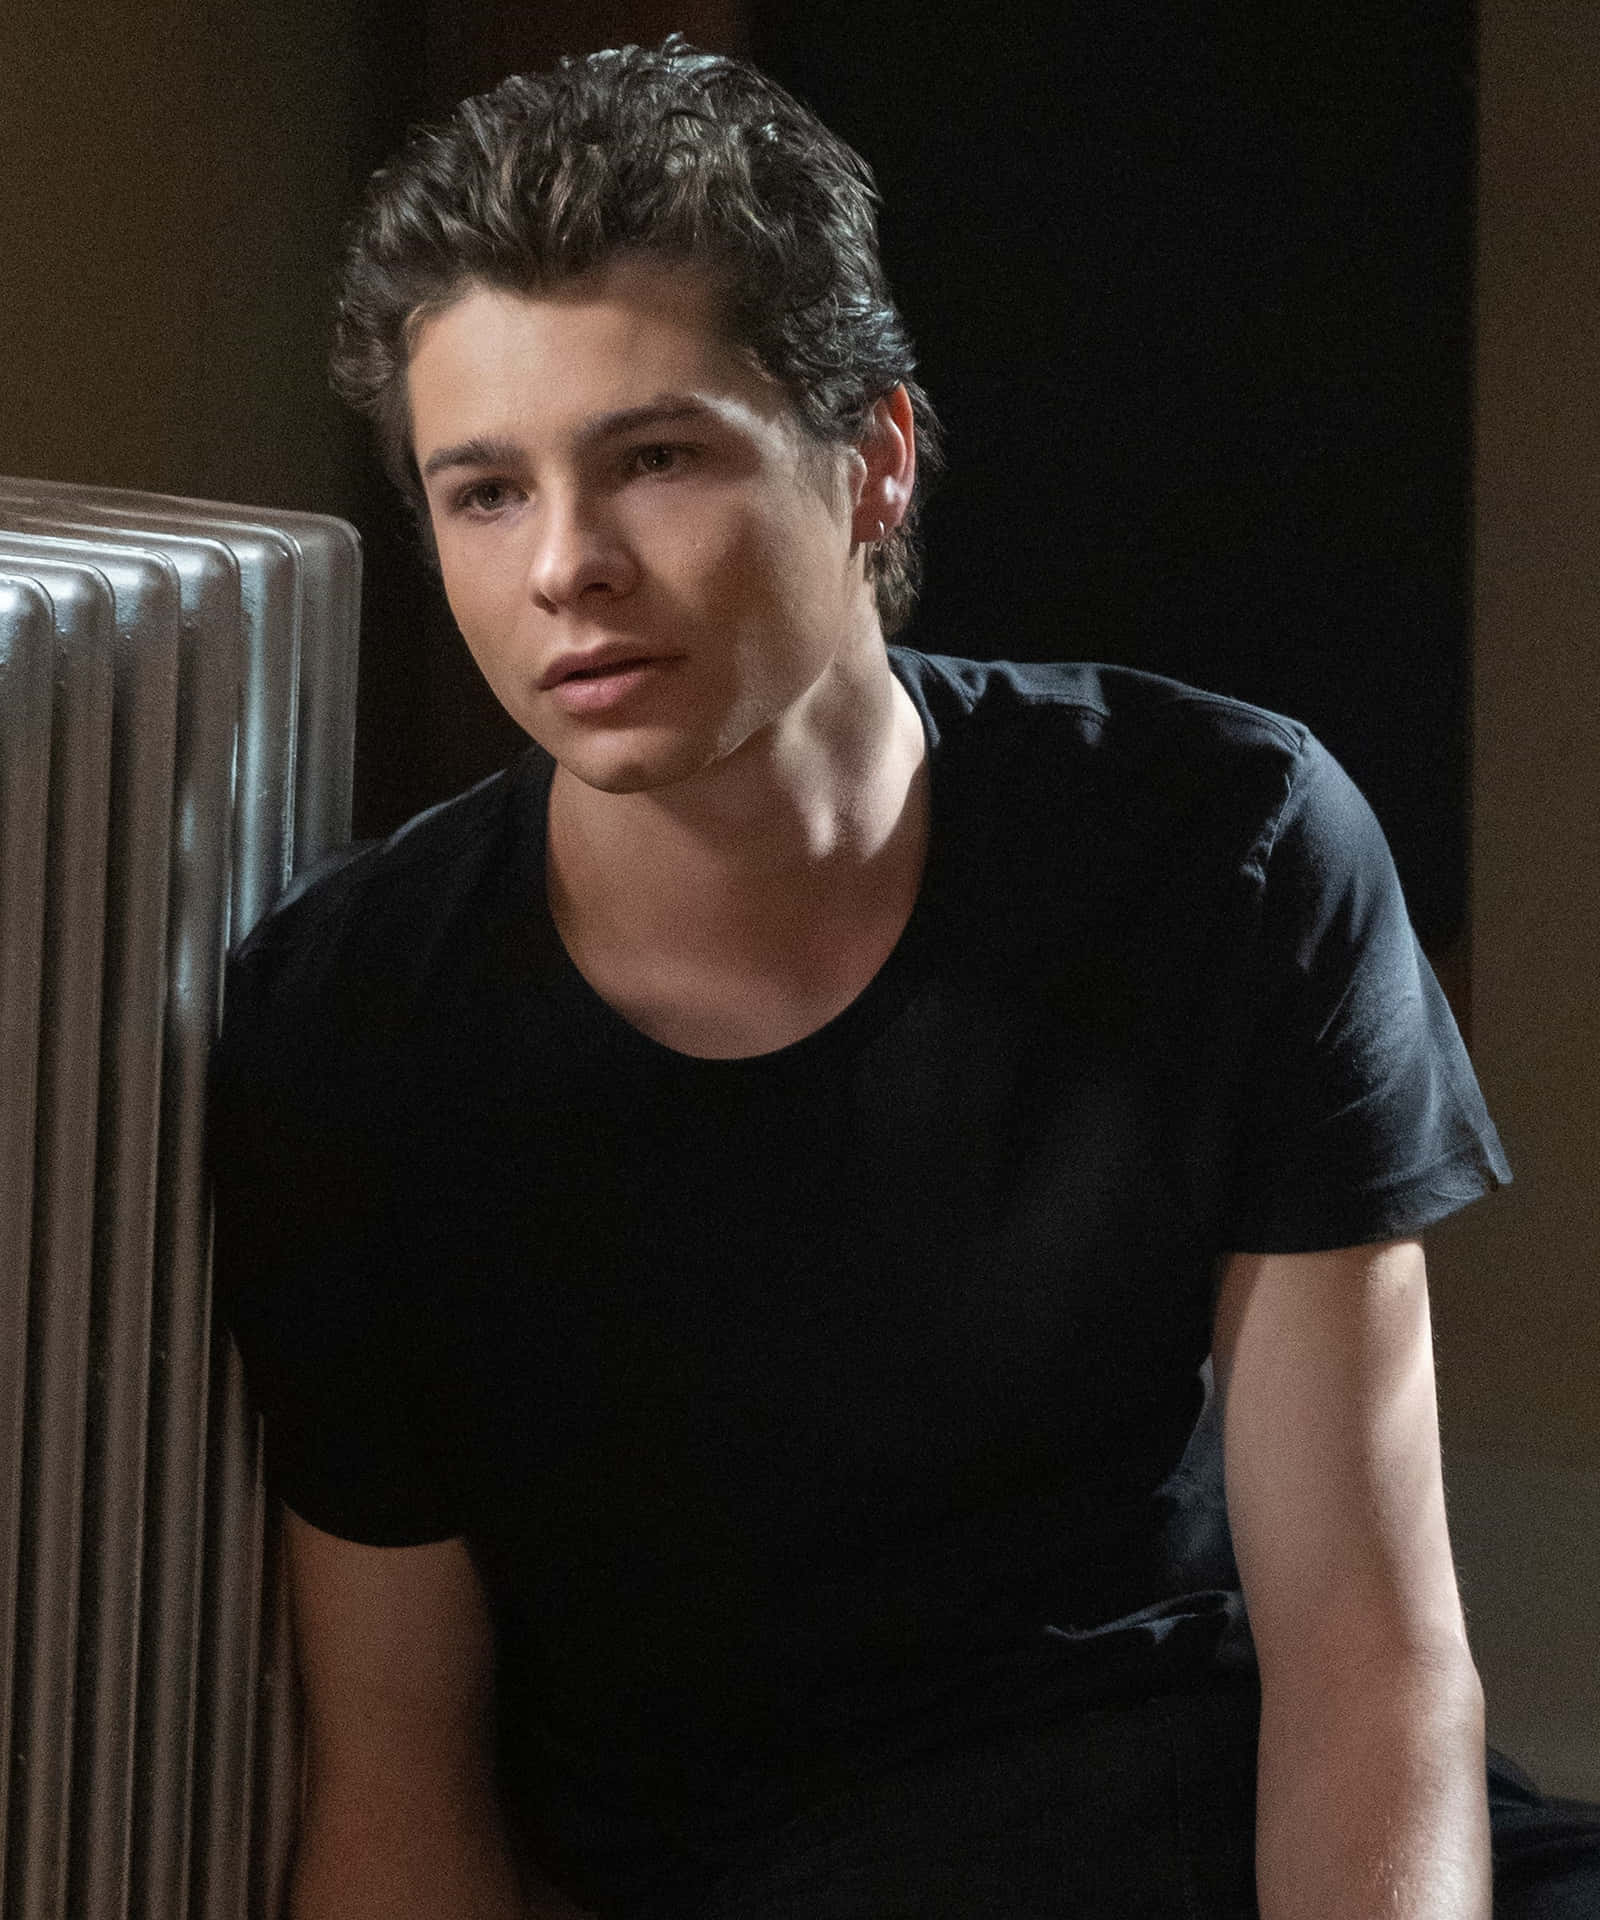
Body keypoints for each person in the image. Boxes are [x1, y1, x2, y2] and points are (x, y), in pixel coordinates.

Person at [208, 37, 1582, 1920]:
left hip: (1227, 1804)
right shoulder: (355, 1023)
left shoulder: (1226, 847)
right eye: (484, 494)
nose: (568, 568)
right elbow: (397, 1790)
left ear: (875, 462)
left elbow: (1368, 1660)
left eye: (657, 456)